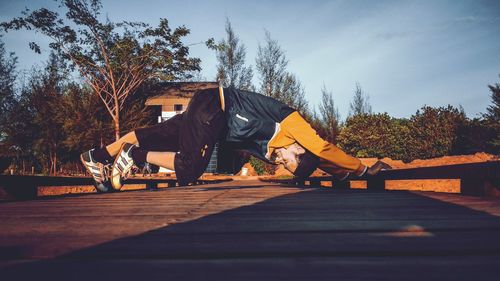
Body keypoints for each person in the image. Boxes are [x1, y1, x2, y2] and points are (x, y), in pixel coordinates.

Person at [80, 85, 391, 192]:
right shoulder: (292, 124)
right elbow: (321, 147)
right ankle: (134, 156)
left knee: (160, 135)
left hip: (208, 112)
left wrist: (340, 174)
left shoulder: (278, 147)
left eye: (284, 165)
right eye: (288, 160)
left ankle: (99, 156)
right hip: (214, 107)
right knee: (189, 169)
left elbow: (317, 158)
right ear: (298, 147)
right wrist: (362, 169)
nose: (279, 161)